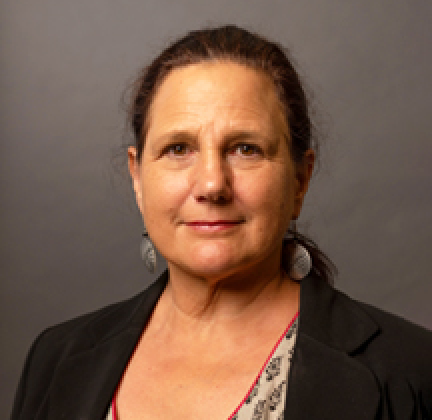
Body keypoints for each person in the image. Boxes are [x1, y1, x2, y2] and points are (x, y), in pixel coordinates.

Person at [11, 25, 432, 420]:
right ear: (138, 178)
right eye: (178, 148)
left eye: (245, 149)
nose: (212, 184)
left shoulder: (412, 372)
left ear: (300, 179)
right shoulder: (57, 358)